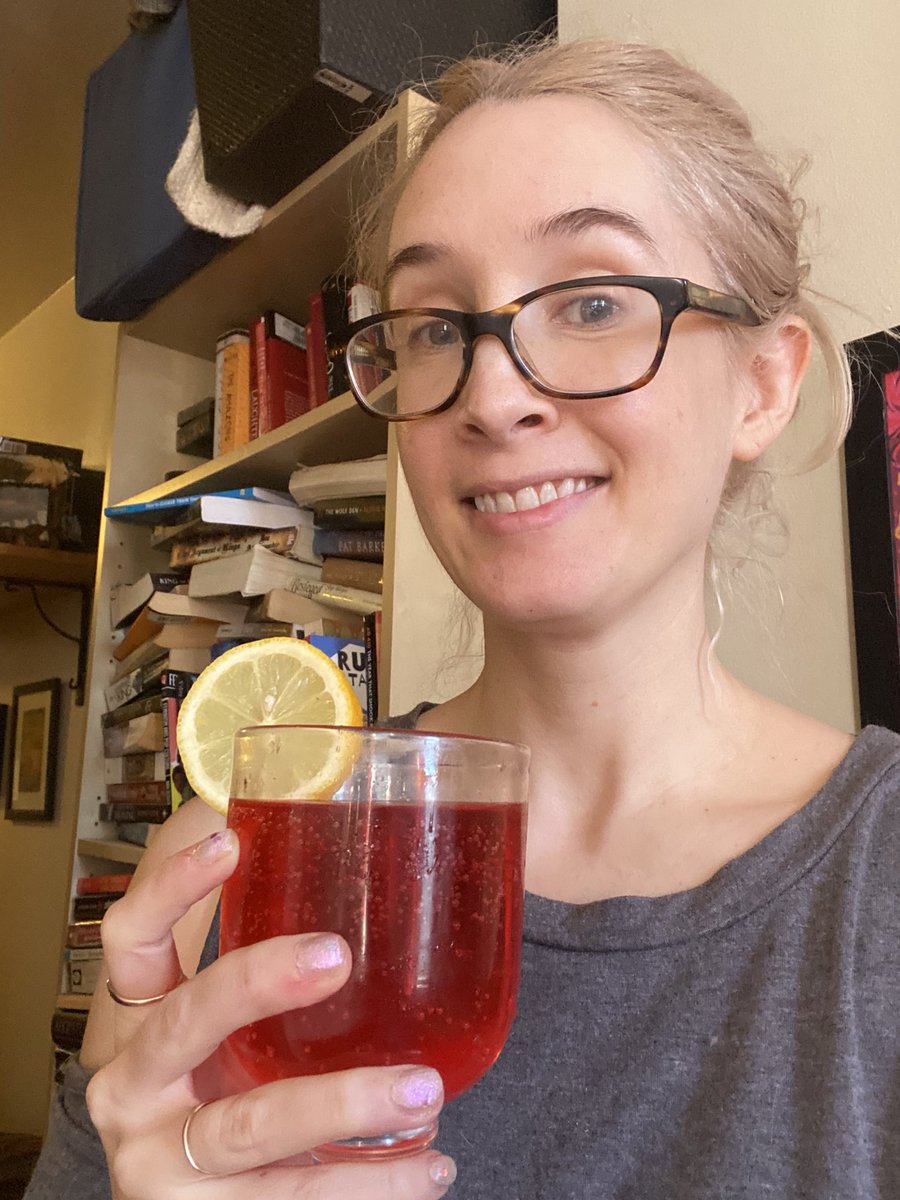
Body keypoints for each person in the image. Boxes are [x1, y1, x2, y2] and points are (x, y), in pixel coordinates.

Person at [27, 36, 900, 1200]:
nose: (490, 396)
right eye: (435, 325)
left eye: (592, 300)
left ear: (764, 383)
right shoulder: (257, 872)